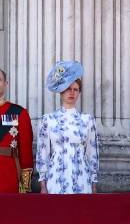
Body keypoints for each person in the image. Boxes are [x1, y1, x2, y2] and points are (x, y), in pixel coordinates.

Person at [36, 60, 100, 194]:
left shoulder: (87, 120)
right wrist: (43, 184)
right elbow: (43, 153)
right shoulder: (48, 119)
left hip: (82, 178)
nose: (72, 92)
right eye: (68, 89)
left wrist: (94, 183)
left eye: (75, 89)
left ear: (79, 93)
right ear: (61, 92)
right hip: (56, 178)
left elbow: (92, 153)